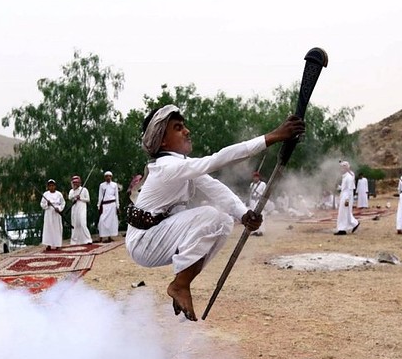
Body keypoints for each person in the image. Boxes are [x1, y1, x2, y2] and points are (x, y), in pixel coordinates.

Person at [125, 104, 304, 321]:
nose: (187, 131)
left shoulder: (182, 165)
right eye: (178, 127)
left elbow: (215, 188)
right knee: (212, 216)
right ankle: (179, 285)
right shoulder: (166, 167)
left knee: (224, 222)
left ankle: (182, 283)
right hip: (144, 242)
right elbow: (218, 159)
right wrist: (273, 137)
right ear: (162, 140)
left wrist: (243, 214)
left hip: (157, 239)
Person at [335, 161, 359, 235]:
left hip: (346, 197)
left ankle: (342, 229)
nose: (341, 169)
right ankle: (354, 223)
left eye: (342, 167)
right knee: (344, 213)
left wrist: (347, 200)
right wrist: (338, 187)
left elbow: (349, 189)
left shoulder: (349, 177)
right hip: (344, 196)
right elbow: (344, 188)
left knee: (344, 213)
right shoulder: (345, 176)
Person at [40, 179, 65, 250]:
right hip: (48, 213)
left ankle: (58, 244)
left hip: (56, 213)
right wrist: (47, 204)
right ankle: (48, 244)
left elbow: (63, 203)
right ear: (48, 187)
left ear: (55, 186)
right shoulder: (45, 194)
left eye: (53, 185)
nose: (51, 187)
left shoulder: (59, 194)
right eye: (50, 186)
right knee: (48, 228)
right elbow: (42, 204)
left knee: (57, 228)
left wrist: (59, 208)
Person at [67, 175, 92, 245]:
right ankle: (74, 241)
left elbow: (88, 199)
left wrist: (80, 198)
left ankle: (87, 239)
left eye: (76, 182)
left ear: (79, 183)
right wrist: (75, 196)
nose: (75, 184)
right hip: (74, 209)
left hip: (82, 208)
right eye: (74, 183)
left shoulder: (84, 190)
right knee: (75, 224)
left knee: (82, 223)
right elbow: (69, 197)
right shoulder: (71, 191)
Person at [97, 171, 120, 243]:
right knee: (102, 220)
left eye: (109, 176)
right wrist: (99, 205)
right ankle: (101, 237)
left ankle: (109, 237)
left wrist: (117, 206)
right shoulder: (102, 185)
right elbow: (100, 196)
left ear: (111, 177)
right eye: (106, 176)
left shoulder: (114, 185)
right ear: (104, 177)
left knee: (111, 221)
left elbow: (116, 196)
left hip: (112, 205)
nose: (108, 177)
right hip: (105, 205)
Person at [247, 171, 267, 236]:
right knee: (253, 216)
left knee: (261, 215)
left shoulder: (263, 184)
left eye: (256, 177)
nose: (255, 178)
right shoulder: (251, 184)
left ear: (259, 177)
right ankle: (254, 230)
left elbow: (265, 193)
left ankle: (261, 231)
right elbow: (250, 194)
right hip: (252, 201)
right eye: (254, 177)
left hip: (259, 201)